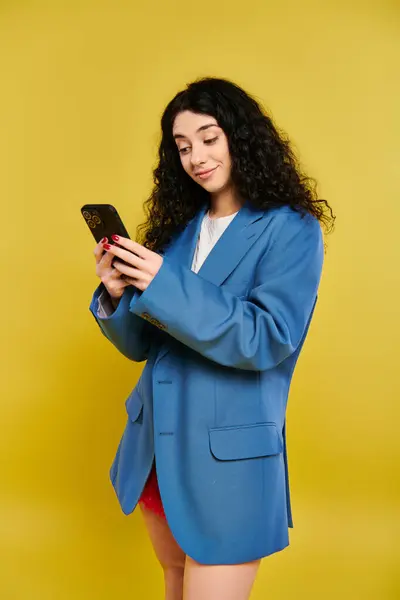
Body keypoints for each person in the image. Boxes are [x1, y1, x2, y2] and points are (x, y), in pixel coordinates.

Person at [88, 76, 335, 600]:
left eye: (208, 138)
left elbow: (267, 337)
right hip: (155, 450)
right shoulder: (179, 233)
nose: (195, 156)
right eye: (182, 147)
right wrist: (117, 296)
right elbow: (144, 346)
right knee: (174, 584)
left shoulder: (292, 229)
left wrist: (164, 284)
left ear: (240, 137)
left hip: (229, 464)